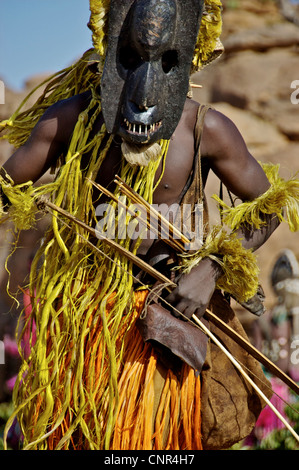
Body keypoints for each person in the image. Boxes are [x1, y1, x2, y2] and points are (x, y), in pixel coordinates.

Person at [0, 0, 298, 450]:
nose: (142, 93)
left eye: (165, 63)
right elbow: (5, 185)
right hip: (91, 326)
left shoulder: (206, 129)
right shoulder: (71, 119)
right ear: (107, 49)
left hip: (174, 322)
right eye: (131, 60)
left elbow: (270, 204)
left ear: (190, 58)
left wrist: (212, 269)